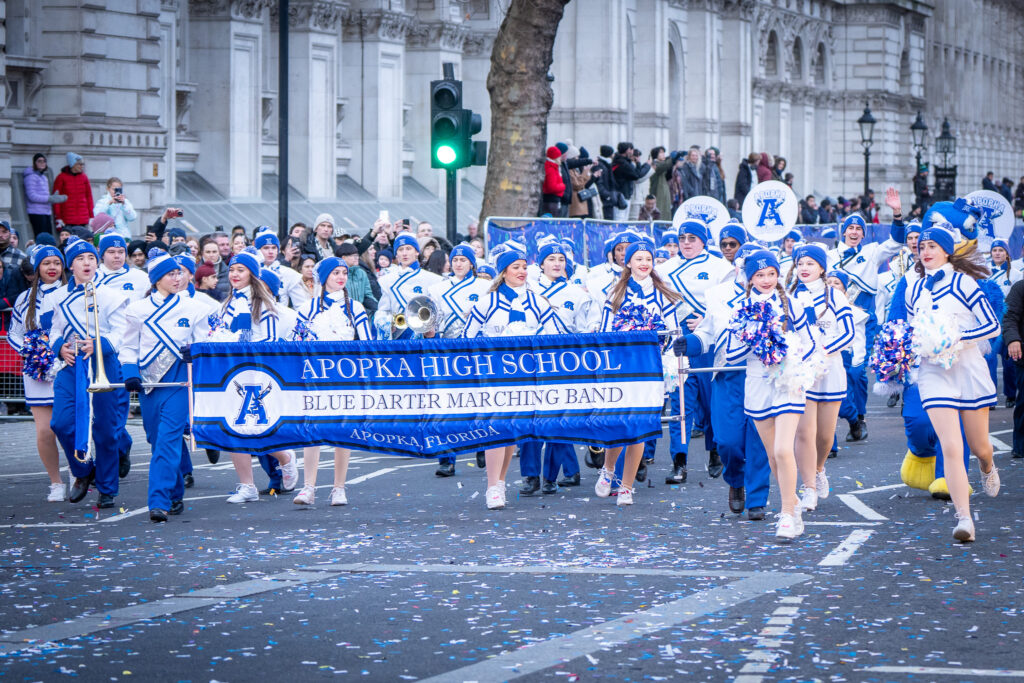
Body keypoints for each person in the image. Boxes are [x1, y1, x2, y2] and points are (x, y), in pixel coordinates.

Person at [907, 220, 1000, 541]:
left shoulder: (964, 284)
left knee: (979, 446)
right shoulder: (913, 289)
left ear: (947, 251)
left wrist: (956, 338)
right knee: (951, 445)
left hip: (967, 370)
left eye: (933, 246)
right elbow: (912, 331)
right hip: (933, 372)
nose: (926, 251)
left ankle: (988, 465)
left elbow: (992, 326)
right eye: (922, 247)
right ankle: (964, 519)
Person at [724, 249, 816, 540]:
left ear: (778, 275)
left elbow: (810, 343)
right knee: (773, 455)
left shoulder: (793, 303)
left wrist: (794, 360)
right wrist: (757, 338)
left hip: (787, 379)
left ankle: (787, 513)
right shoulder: (740, 308)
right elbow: (730, 354)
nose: (766, 280)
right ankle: (794, 503)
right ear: (750, 278)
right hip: (756, 383)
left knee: (781, 449)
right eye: (760, 275)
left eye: (771, 274)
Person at [675, 243, 772, 519]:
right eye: (743, 264)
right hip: (728, 376)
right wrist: (689, 343)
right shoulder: (717, 294)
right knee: (728, 441)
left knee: (758, 440)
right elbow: (707, 334)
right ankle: (736, 481)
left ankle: (756, 498)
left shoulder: (776, 296)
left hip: (764, 376)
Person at [119, 251, 208, 521]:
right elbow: (129, 345)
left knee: (168, 440)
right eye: (171, 274)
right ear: (156, 279)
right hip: (148, 384)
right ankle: (174, 492)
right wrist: (130, 372)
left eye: (178, 273)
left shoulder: (194, 308)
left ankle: (158, 501)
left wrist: (196, 352)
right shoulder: (137, 309)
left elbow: (204, 342)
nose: (177, 278)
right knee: (156, 439)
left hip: (180, 381)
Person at [464, 249, 556, 509]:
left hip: (526, 377)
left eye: (524, 266)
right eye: (515, 267)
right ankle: (492, 486)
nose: (522, 271)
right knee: (497, 428)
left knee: (511, 432)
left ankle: (501, 482)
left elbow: (555, 336)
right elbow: (467, 339)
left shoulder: (538, 301)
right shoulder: (487, 302)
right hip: (494, 375)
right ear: (504, 272)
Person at [43, 237, 131, 508]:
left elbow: (121, 333)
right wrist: (59, 347)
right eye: (80, 259)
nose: (87, 263)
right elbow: (53, 330)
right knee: (61, 423)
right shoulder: (56, 297)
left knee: (105, 428)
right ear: (71, 265)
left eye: (91, 258)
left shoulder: (112, 295)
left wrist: (101, 344)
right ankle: (83, 470)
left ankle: (107, 487)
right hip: (72, 364)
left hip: (103, 362)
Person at [596, 240, 683, 505]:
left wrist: (655, 340)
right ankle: (609, 468)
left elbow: (673, 332)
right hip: (621, 369)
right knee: (618, 424)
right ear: (628, 262)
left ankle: (626, 486)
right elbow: (603, 331)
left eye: (648, 259)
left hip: (650, 369)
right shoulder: (614, 294)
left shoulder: (663, 294)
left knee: (640, 427)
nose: (644, 263)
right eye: (639, 258)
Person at [210, 247, 299, 502]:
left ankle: (285, 456)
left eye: (241, 270)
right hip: (230, 375)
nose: (235, 275)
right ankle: (247, 486)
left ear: (253, 274)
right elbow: (215, 334)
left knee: (259, 429)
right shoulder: (226, 305)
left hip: (257, 377)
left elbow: (269, 342)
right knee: (234, 428)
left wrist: (242, 344)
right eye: (233, 270)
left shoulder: (264, 305)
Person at [655, 219, 732, 483]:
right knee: (680, 404)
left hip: (709, 343)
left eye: (692, 238)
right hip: (678, 342)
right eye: (682, 238)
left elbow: (730, 304)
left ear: (703, 240)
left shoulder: (721, 267)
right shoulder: (663, 269)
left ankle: (715, 452)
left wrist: (707, 320)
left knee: (712, 404)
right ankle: (679, 461)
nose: (686, 243)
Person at [290, 257, 370, 506]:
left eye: (344, 273)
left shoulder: (355, 307)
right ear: (324, 277)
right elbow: (293, 342)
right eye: (335, 273)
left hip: (345, 377)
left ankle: (339, 488)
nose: (341, 277)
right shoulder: (308, 307)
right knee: (312, 430)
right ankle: (308, 487)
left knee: (341, 431)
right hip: (314, 376)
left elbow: (367, 343)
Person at [517, 241, 593, 493]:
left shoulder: (578, 294)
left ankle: (550, 476)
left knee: (558, 421)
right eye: (551, 259)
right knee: (529, 418)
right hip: (530, 362)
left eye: (561, 259)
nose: (557, 263)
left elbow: (583, 330)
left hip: (564, 363)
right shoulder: (525, 290)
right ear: (541, 263)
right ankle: (530, 475)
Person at [788, 245, 854, 513]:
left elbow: (848, 333)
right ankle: (809, 488)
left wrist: (822, 350)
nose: (804, 268)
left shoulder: (835, 296)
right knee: (805, 432)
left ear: (822, 268)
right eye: (800, 263)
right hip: (801, 371)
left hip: (829, 369)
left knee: (825, 436)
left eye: (810, 264)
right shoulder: (788, 295)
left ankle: (818, 468)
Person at [7, 243, 67, 501]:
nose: (52, 268)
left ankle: (79, 471)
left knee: (67, 425)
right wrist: (32, 352)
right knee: (44, 430)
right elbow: (14, 333)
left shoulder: (72, 292)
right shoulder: (24, 298)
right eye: (46, 263)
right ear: (37, 267)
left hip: (67, 365)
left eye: (56, 262)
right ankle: (56, 483)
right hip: (38, 372)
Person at [375, 232, 443, 340]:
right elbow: (383, 310)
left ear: (416, 252)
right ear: (396, 254)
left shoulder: (432, 279)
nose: (404, 253)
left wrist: (431, 327)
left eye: (408, 248)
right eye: (401, 249)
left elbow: (438, 310)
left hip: (422, 335)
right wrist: (387, 323)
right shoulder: (387, 280)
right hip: (398, 335)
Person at [986, 239, 1019, 408]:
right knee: (989, 358)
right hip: (990, 322)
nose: (997, 253)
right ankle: (991, 396)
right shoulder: (984, 271)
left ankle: (1011, 394)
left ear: (1006, 253)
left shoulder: (1015, 273)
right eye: (994, 250)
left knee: (1009, 362)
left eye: (1001, 250)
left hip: (1008, 322)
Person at [96, 234, 150, 301]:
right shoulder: (93, 277)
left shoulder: (141, 276)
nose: (117, 256)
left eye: (121, 252)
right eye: (111, 252)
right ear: (102, 255)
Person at [24, 153, 65, 239]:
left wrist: (53, 197)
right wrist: (50, 198)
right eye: (39, 161)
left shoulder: (43, 177)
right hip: (36, 212)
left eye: (44, 161)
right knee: (41, 237)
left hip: (46, 212)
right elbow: (32, 196)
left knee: (48, 237)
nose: (42, 163)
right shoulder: (30, 177)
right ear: (34, 163)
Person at [53, 153, 93, 230]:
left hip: (83, 219)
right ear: (73, 164)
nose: (82, 166)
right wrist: (58, 217)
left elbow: (89, 197)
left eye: (82, 164)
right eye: (79, 164)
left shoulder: (84, 177)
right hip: (67, 220)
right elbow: (57, 199)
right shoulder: (61, 177)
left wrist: (91, 216)